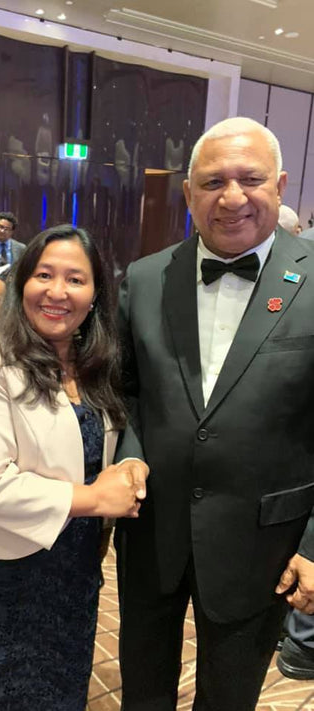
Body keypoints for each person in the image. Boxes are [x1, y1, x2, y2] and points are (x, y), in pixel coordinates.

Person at [115, 116, 314, 711]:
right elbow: (126, 391)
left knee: (230, 698)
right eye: (212, 182)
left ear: (279, 185)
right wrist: (128, 460)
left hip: (265, 542)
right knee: (142, 691)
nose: (231, 198)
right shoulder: (147, 277)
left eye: (249, 179)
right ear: (188, 194)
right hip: (152, 532)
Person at [0, 224, 149, 710]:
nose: (58, 292)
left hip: (75, 568)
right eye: (44, 275)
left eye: (76, 279)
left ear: (96, 293)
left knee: (63, 692)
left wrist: (131, 466)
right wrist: (97, 499)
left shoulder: (95, 363)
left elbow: (104, 445)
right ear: (21, 284)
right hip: (4, 574)